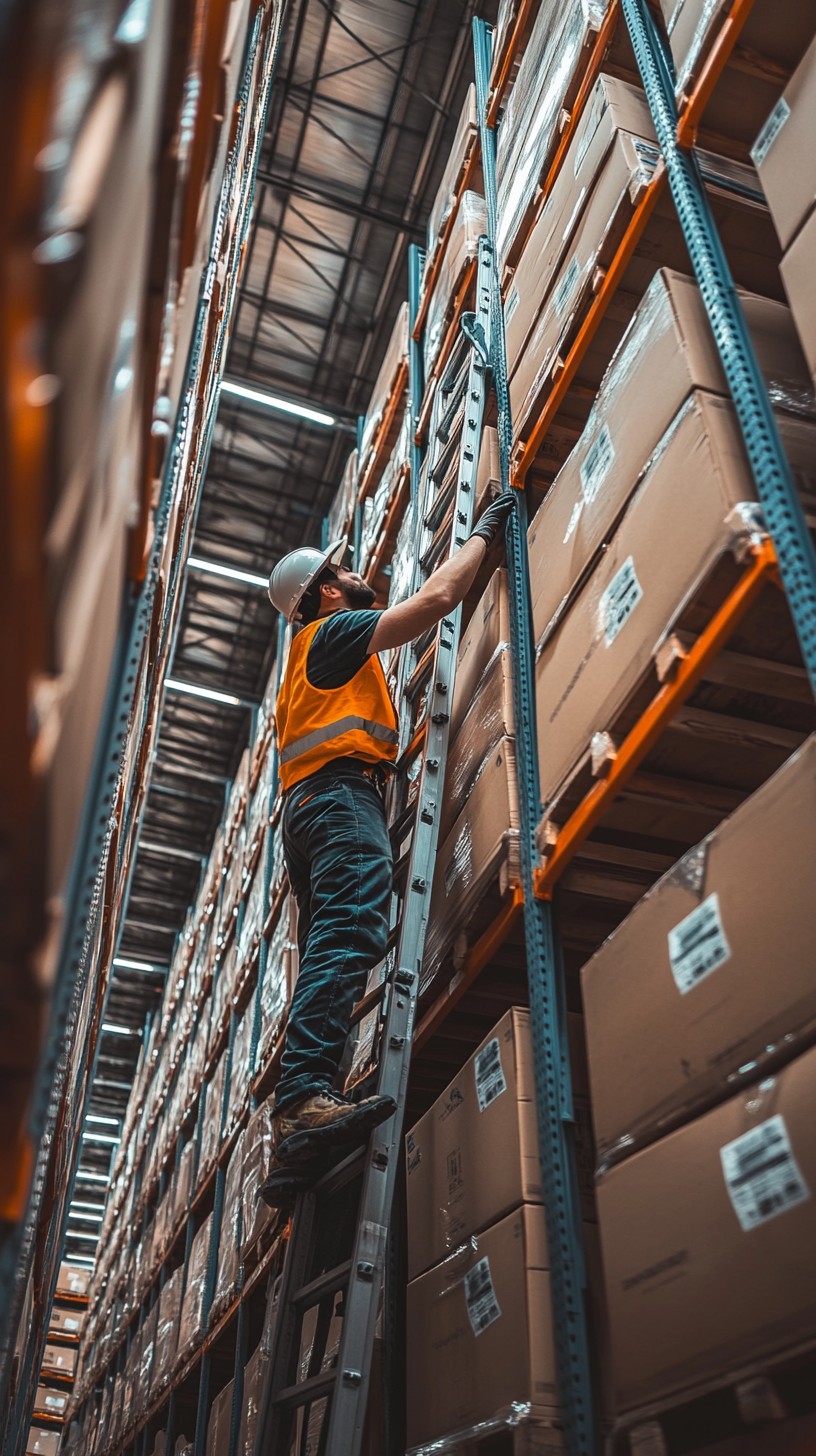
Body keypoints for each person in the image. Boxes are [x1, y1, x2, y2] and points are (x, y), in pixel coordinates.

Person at [260, 492, 514, 1200]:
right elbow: (435, 600)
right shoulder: (333, 632)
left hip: (312, 809)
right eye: (341, 570)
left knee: (329, 948)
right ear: (324, 593)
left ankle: (297, 1136)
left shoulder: (315, 655)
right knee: (349, 933)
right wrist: (483, 536)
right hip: (340, 799)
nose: (353, 573)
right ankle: (304, 1097)